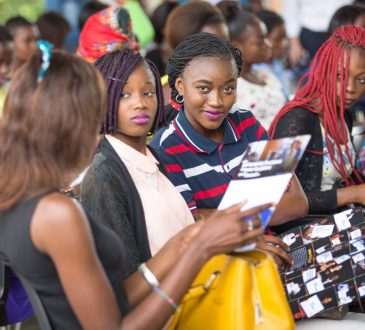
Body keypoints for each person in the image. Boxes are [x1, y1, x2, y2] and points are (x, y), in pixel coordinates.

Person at [0, 46, 266, 329]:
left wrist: (188, 239)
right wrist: (199, 249)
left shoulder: (20, 195)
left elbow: (117, 297)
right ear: (70, 122)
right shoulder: (57, 213)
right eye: (97, 110)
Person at [150, 32, 309, 266]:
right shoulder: (166, 149)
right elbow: (188, 225)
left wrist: (213, 217)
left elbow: (297, 203)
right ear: (180, 86)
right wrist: (247, 228)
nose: (217, 101)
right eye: (203, 88)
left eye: (228, 89)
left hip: (275, 247)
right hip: (220, 265)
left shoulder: (246, 123)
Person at [80, 48, 193, 275]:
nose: (140, 104)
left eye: (148, 93)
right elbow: (126, 280)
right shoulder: (104, 176)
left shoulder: (154, 158)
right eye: (124, 94)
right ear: (102, 101)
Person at [269, 25, 365, 215]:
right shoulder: (297, 119)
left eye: (361, 79)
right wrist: (352, 194)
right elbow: (272, 203)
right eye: (340, 76)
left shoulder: (343, 113)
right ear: (324, 69)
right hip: (302, 232)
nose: (350, 88)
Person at [218, 3, 287, 129]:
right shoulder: (230, 86)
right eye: (260, 41)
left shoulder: (267, 77)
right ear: (236, 45)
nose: (268, 44)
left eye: (266, 38)